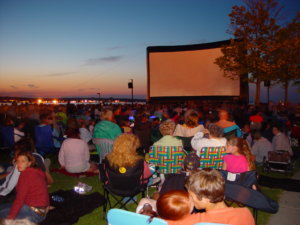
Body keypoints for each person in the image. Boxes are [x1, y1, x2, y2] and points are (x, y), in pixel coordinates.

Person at [185, 169, 255, 225]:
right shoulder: (245, 214)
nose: (189, 198)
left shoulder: (194, 221)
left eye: (191, 196)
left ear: (205, 198)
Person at [0, 151, 49, 223]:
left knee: (2, 213)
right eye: (18, 161)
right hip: (39, 211)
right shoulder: (35, 172)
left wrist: (10, 218)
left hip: (33, 213)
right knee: (2, 207)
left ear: (29, 163)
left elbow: (19, 200)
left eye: (23, 161)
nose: (19, 164)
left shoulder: (26, 175)